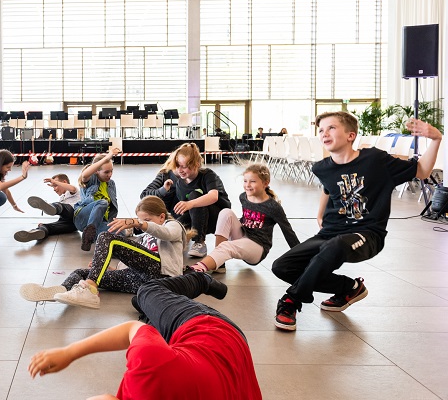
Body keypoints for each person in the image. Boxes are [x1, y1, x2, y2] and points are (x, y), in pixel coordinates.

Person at [271, 112, 442, 331]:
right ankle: (349, 287)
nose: (324, 133)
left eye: (331, 128)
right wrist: (320, 212)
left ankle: (291, 301)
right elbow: (329, 187)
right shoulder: (321, 168)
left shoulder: (375, 160)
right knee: (282, 267)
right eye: (321, 130)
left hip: (367, 234)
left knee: (335, 245)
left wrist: (436, 139)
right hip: (330, 233)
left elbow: (422, 170)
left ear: (351, 135)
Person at [28, 272, 262, 400]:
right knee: (147, 291)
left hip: (234, 372)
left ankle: (147, 310)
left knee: (143, 309)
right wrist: (70, 352)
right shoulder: (148, 370)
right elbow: (131, 329)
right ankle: (202, 278)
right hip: (211, 330)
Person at [19, 195, 191, 309]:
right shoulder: (145, 237)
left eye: (147, 219)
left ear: (162, 216)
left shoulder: (174, 226)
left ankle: (90, 291)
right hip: (138, 280)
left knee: (106, 237)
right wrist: (109, 267)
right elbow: (134, 258)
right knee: (82, 272)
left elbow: (166, 234)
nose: (143, 223)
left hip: (161, 276)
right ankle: (61, 290)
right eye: (141, 219)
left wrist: (138, 223)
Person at [186, 163, 299, 274]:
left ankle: (196, 270)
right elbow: (245, 219)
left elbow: (288, 232)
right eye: (245, 181)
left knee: (226, 247)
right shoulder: (243, 197)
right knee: (226, 212)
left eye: (253, 181)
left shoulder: (273, 207)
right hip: (243, 235)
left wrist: (302, 255)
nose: (247, 185)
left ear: (265, 183)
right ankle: (219, 265)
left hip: (258, 247)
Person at [170, 143, 231, 258]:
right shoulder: (180, 184)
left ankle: (199, 242)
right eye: (178, 166)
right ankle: (167, 242)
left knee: (194, 196)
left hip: (219, 218)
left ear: (196, 164)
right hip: (198, 219)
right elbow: (187, 212)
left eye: (184, 166)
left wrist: (191, 203)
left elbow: (214, 196)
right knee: (177, 223)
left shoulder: (208, 175)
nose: (180, 170)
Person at [73, 147, 121, 251]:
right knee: (102, 203)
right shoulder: (92, 179)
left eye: (111, 171)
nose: (110, 175)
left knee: (120, 233)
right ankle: (88, 234)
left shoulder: (111, 184)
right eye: (106, 172)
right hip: (82, 218)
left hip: (100, 221)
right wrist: (107, 157)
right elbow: (84, 175)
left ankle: (93, 235)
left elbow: (112, 207)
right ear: (96, 171)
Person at [14, 174, 80, 242]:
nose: (54, 189)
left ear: (65, 182)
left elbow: (72, 189)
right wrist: (43, 226)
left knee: (60, 207)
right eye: (53, 187)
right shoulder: (62, 199)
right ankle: (38, 231)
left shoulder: (73, 191)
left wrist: (55, 182)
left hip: (75, 212)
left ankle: (53, 207)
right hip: (71, 225)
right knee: (48, 227)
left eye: (55, 186)